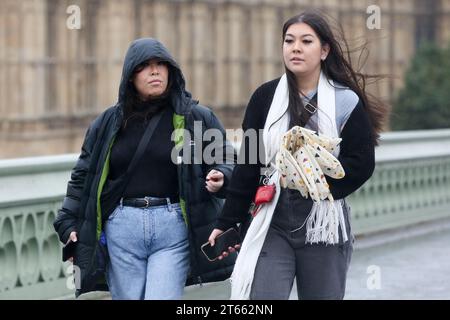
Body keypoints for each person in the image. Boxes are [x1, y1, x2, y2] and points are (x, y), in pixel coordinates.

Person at [209, 11, 388, 300]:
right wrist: (225, 222)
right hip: (273, 218)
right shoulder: (265, 98)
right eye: (289, 41)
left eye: (306, 41)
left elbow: (362, 162)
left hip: (322, 223)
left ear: (324, 50)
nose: (295, 48)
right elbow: (249, 164)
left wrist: (313, 181)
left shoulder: (345, 101)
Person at [54, 38, 236, 299]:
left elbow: (226, 158)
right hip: (121, 229)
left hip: (172, 228)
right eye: (145, 66)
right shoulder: (107, 123)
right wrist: (66, 220)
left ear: (171, 71)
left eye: (161, 65)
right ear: (130, 76)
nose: (155, 71)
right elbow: (84, 175)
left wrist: (222, 175)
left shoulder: (196, 117)